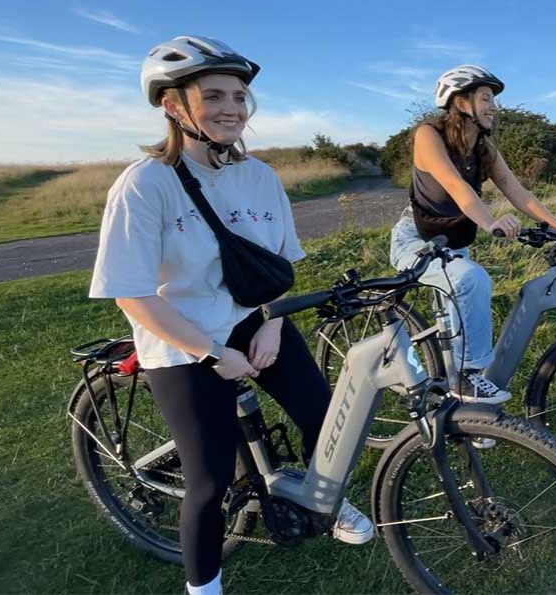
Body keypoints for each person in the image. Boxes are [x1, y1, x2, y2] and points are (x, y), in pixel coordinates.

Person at [89, 36, 372, 595]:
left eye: (240, 96)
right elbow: (133, 295)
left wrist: (269, 321)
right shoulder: (144, 185)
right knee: (210, 480)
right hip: (181, 337)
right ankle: (204, 586)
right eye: (214, 95)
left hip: (257, 320)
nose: (232, 109)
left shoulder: (260, 177)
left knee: (327, 419)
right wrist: (213, 353)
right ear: (174, 106)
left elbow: (279, 265)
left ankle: (317, 499)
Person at [389, 64, 556, 403]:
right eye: (486, 98)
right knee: (472, 281)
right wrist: (490, 222)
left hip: (453, 245)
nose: (494, 107)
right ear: (461, 103)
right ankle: (467, 380)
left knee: (459, 325)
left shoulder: (483, 147)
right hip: (416, 241)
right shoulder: (429, 135)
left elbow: (518, 192)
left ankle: (471, 421)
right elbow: (457, 186)